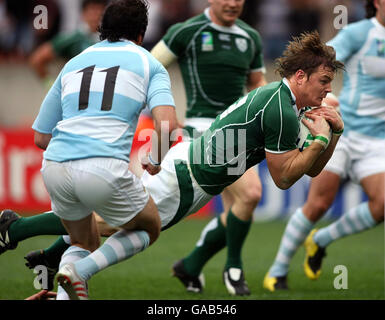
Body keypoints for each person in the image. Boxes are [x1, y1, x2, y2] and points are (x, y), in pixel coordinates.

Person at [0, 31, 344, 299]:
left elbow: (310, 169)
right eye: (324, 81)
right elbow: (285, 177)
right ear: (300, 76)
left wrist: (333, 136)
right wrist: (318, 141)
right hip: (187, 178)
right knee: (132, 231)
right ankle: (42, 248)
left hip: (188, 169)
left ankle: (44, 250)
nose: (328, 90)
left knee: (107, 224)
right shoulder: (280, 108)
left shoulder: (284, 103)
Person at [23, 0, 177, 300]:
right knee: (149, 226)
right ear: (141, 34)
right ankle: (82, 272)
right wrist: (155, 159)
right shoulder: (148, 62)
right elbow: (168, 126)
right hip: (103, 167)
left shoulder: (74, 62)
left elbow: (41, 137)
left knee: (82, 242)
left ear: (102, 28)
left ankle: (67, 294)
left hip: (54, 167)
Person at [264, 0, 385, 292]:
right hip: (344, 131)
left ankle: (320, 240)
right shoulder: (360, 33)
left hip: (377, 141)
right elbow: (319, 62)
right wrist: (313, 98)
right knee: (318, 204)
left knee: (381, 206)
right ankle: (277, 271)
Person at [150, 0, 267, 296]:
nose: (233, 3)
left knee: (237, 207)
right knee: (250, 194)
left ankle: (191, 265)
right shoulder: (186, 31)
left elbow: (257, 84)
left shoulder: (249, 37)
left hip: (237, 132)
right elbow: (148, 66)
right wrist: (162, 110)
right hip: (202, 130)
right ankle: (233, 266)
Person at [29, 0, 108, 87]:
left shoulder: (110, 39)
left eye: (99, 10)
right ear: (83, 14)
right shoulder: (72, 38)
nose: (96, 16)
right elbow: (37, 59)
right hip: (78, 93)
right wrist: (52, 86)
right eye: (92, 11)